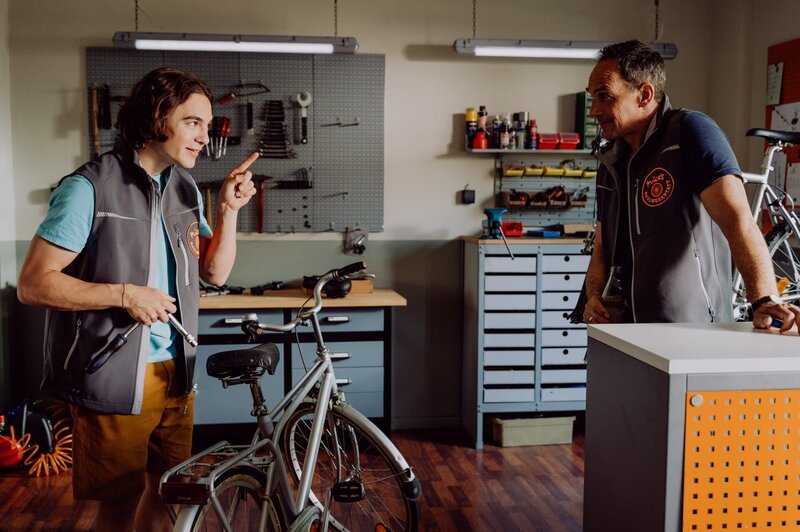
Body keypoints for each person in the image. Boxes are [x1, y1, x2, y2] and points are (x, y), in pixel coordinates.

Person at [17, 67, 258, 531]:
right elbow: (34, 283)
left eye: (208, 126)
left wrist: (228, 211)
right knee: (118, 508)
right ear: (158, 115)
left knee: (169, 494)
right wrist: (125, 294)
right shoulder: (88, 187)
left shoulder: (184, 187)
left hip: (178, 371)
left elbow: (214, 273)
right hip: (113, 375)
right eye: (193, 122)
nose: (204, 137)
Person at [581, 40, 800, 332]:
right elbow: (601, 245)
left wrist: (763, 299)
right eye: (592, 97)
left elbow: (739, 221)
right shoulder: (611, 161)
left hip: (691, 332)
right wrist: (594, 294)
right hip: (625, 333)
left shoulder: (690, 132)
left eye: (604, 96)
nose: (594, 110)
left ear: (644, 94)